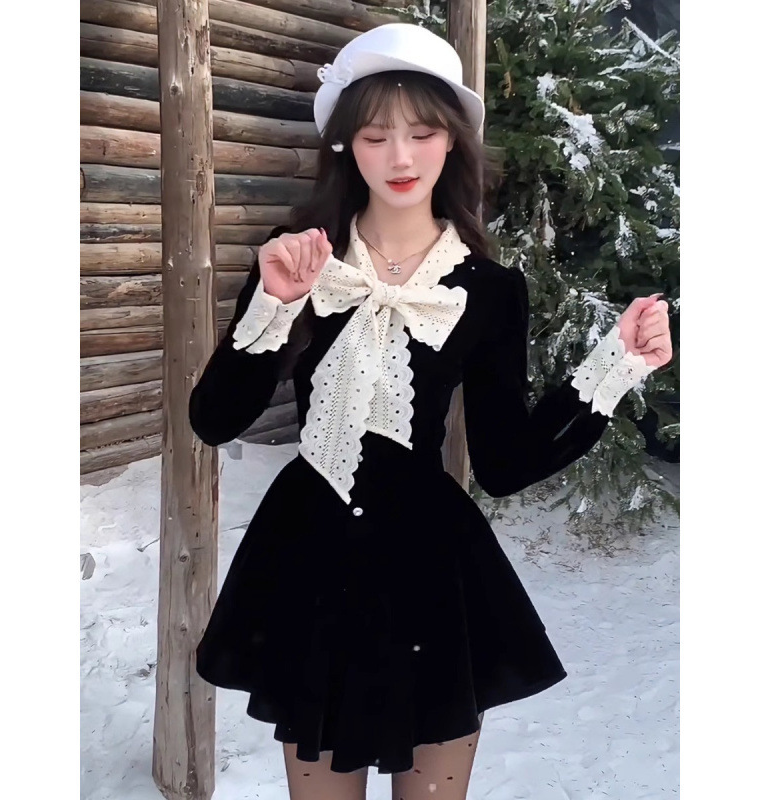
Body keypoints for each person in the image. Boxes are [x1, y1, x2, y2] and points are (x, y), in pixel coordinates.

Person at [188, 22, 672, 800]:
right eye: (376, 136)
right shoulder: (299, 256)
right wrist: (273, 306)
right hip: (308, 561)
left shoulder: (490, 290)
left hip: (430, 573)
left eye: (422, 133)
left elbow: (505, 462)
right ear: (345, 144)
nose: (401, 157)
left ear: (452, 141)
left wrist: (614, 367)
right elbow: (215, 420)